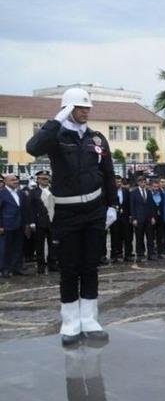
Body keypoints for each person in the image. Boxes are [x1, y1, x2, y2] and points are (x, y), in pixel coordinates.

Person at [26, 88, 117, 345]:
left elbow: (108, 173)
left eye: (88, 107)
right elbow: (33, 148)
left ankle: (89, 319)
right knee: (69, 268)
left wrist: (113, 205)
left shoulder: (96, 138)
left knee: (90, 265)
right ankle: (70, 322)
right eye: (80, 107)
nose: (86, 111)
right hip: (66, 212)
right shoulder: (56, 136)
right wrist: (56, 121)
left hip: (94, 211)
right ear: (67, 108)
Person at [0, 175, 30, 277]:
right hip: (6, 225)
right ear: (5, 181)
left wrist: (26, 224)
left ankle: (17, 268)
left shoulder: (20, 193)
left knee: (18, 247)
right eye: (12, 180)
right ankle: (5, 269)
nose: (16, 181)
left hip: (19, 225)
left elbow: (24, 209)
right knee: (5, 248)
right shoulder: (2, 193)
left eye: (16, 180)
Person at [28, 170, 58, 273]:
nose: (45, 180)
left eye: (47, 178)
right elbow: (30, 208)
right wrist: (32, 222)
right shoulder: (33, 192)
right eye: (43, 178)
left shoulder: (53, 190)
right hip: (39, 222)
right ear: (38, 180)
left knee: (53, 244)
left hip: (52, 221)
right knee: (39, 245)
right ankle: (40, 265)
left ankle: (52, 263)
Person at [130, 176, 157, 261]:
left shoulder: (148, 192)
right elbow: (132, 206)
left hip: (148, 218)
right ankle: (140, 254)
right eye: (141, 182)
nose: (143, 184)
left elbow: (151, 205)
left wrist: (152, 217)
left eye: (144, 182)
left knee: (150, 237)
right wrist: (134, 218)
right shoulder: (134, 192)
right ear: (138, 183)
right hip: (139, 218)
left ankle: (151, 254)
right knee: (139, 237)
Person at [110, 175, 133, 262]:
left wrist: (130, 215)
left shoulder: (126, 191)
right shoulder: (111, 192)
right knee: (115, 237)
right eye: (116, 182)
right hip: (114, 218)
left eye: (119, 182)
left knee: (127, 237)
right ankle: (115, 255)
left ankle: (128, 255)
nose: (118, 183)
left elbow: (130, 204)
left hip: (125, 217)